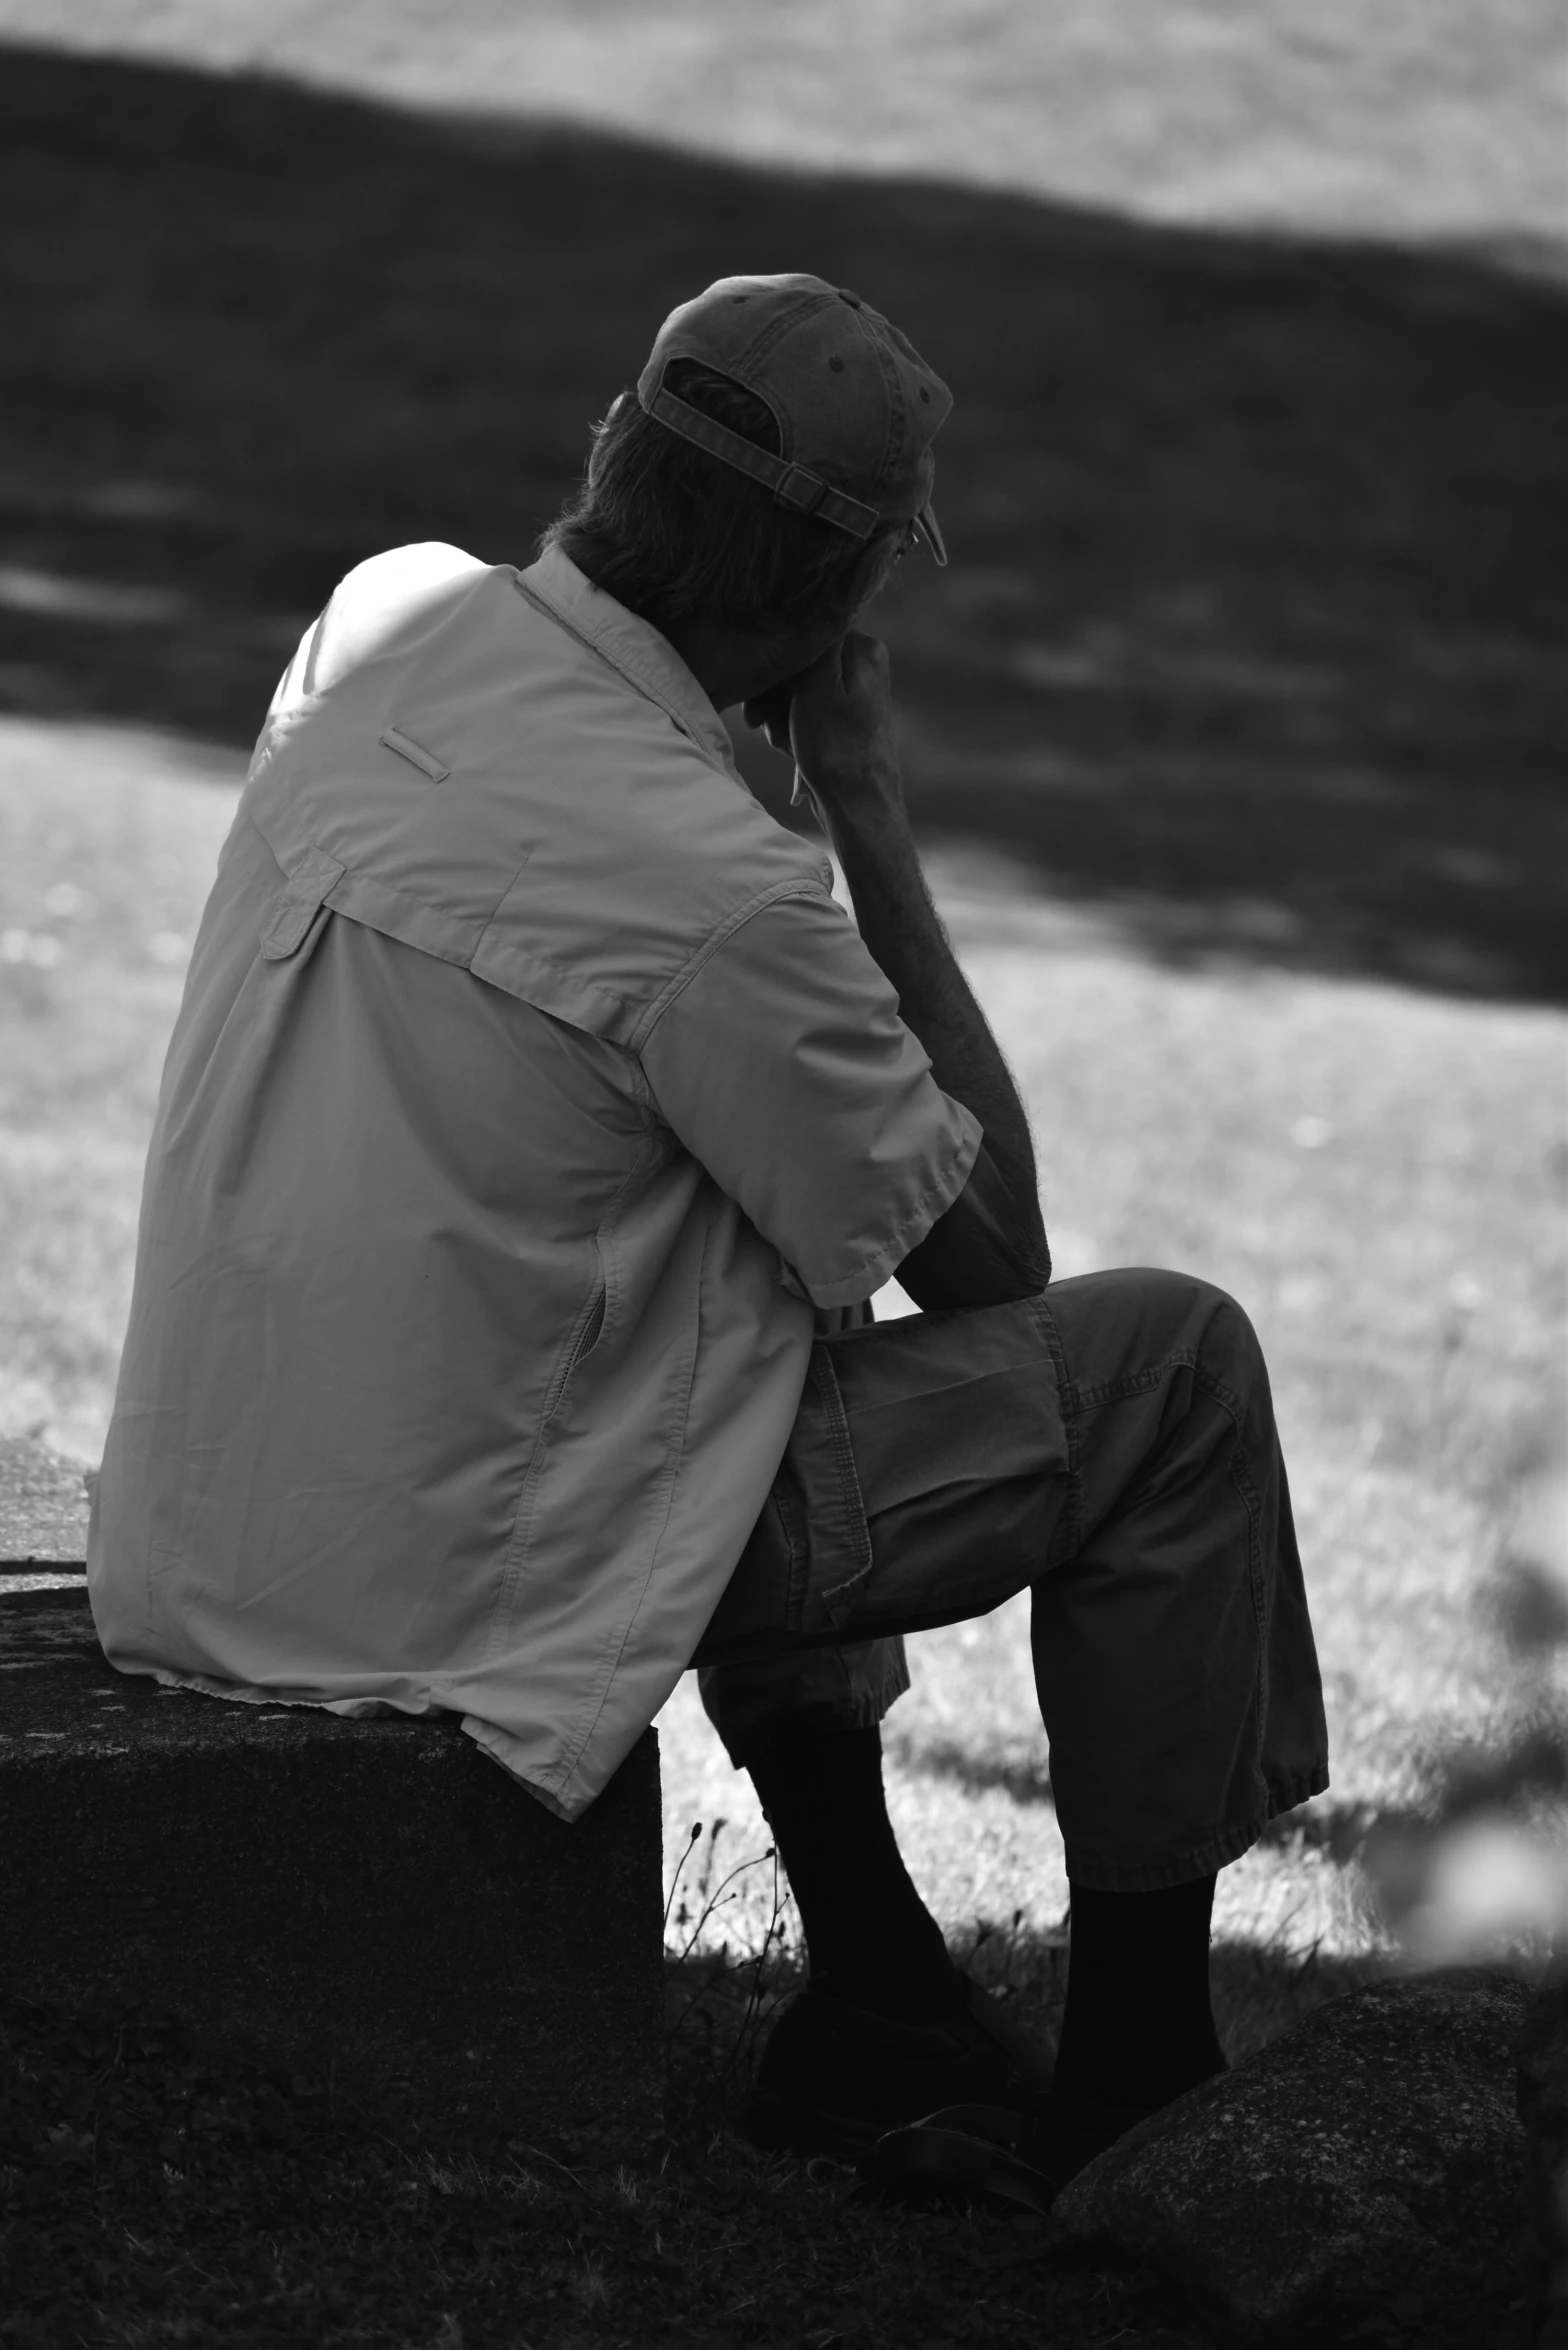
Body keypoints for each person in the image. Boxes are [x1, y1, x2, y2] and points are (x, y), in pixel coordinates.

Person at [86, 272, 1329, 2209]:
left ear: (617, 451)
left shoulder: (379, 618)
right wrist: (861, 802)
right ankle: (1140, 2090)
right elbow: (991, 1264)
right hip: (441, 1584)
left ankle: (881, 1989)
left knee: (739, 1240)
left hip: (219, 1532)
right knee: (1169, 1366)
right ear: (836, 597)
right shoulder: (719, 883)